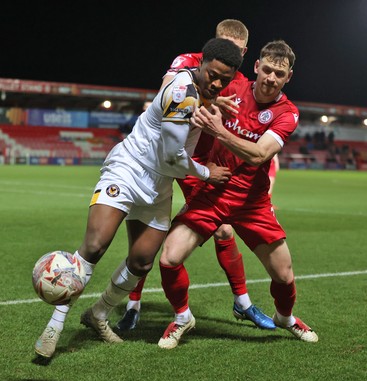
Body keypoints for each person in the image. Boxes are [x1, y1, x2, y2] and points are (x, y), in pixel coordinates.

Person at [34, 37, 244, 358]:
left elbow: (171, 160)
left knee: (142, 260)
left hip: (159, 184)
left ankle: (99, 314)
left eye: (224, 79)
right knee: (95, 246)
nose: (216, 83)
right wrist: (207, 173)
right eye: (212, 75)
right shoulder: (182, 94)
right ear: (200, 64)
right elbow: (173, 157)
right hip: (130, 169)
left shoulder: (200, 90)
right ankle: (55, 323)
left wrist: (212, 102)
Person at [157, 39, 319, 349]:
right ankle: (181, 318)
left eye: (279, 74)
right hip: (213, 191)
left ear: (288, 78)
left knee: (283, 277)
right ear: (256, 67)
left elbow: (259, 155)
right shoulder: (234, 84)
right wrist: (209, 101)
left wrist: (219, 131)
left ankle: (285, 317)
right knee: (169, 257)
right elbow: (198, 74)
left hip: (252, 203)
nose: (271, 78)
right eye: (267, 70)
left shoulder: (288, 113)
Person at [117, 19, 276, 333]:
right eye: (222, 46)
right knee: (147, 232)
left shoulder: (244, 83)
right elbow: (166, 92)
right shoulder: (189, 62)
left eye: (235, 50)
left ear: (244, 52)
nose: (226, 55)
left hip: (204, 165)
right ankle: (133, 304)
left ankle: (242, 302)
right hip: (167, 158)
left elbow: (253, 135)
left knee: (225, 232)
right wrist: (211, 100)